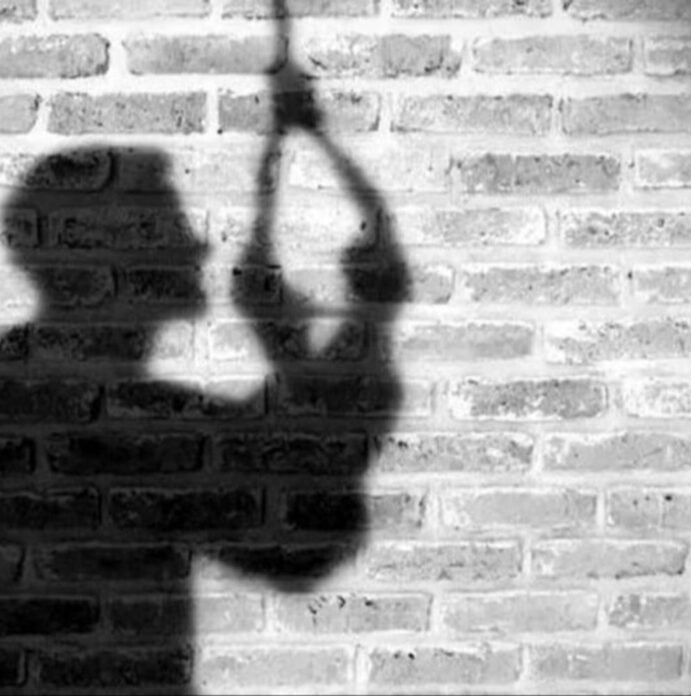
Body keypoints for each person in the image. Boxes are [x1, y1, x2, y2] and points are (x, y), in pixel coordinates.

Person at [0, 5, 409, 691]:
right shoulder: (129, 428)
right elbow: (308, 541)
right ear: (118, 258)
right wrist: (358, 325)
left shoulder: (51, 398)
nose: (198, 244)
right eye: (173, 226)